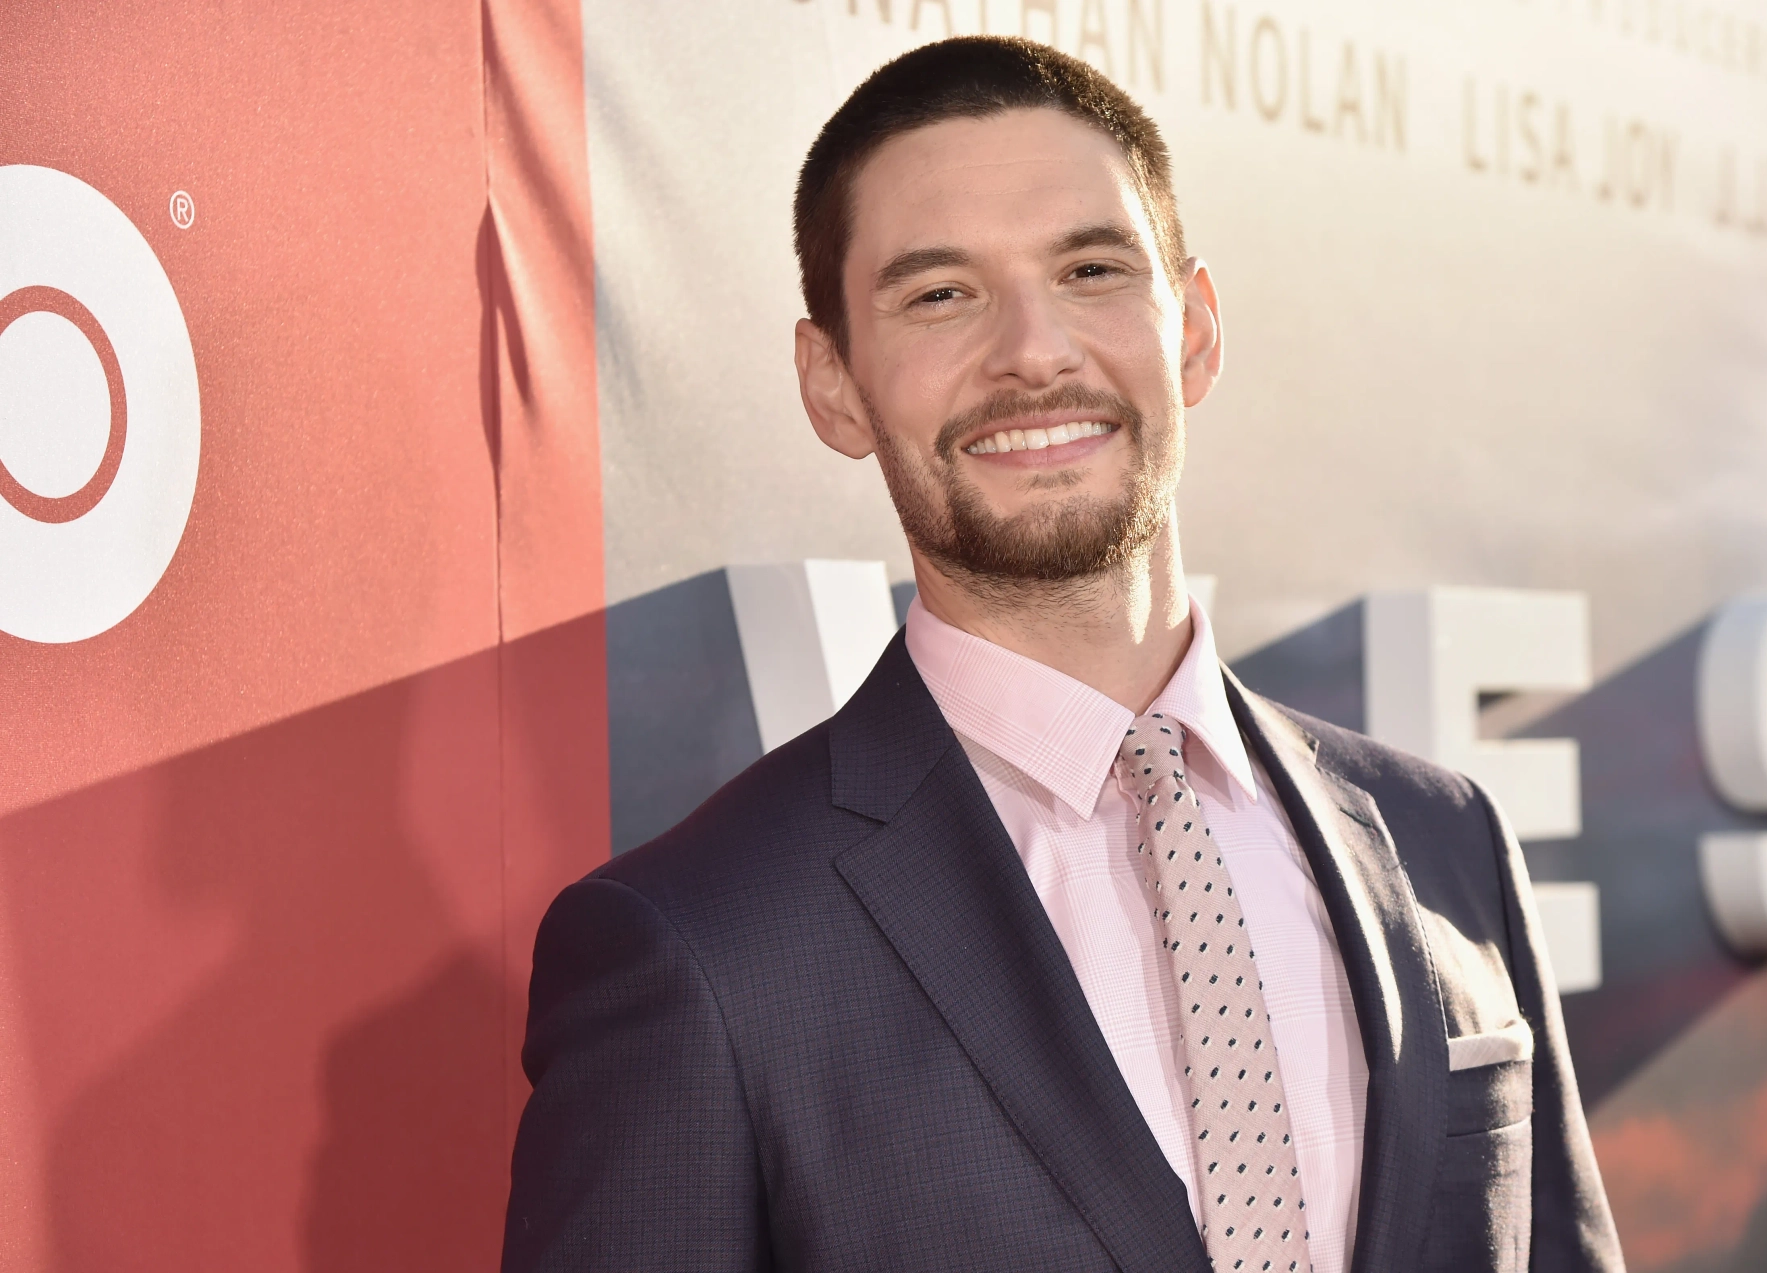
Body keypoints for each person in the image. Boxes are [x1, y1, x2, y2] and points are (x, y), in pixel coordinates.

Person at [502, 35, 1623, 1273]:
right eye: (940, 293)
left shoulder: (1444, 837)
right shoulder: (701, 946)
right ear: (834, 385)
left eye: (1091, 269)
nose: (1033, 351)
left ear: (1191, 330)